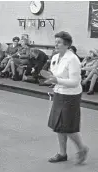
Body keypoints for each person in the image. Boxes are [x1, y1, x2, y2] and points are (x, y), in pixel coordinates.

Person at [44, 31, 89, 165]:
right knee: (58, 125)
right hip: (59, 93)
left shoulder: (73, 59)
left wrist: (57, 80)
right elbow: (55, 75)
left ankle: (82, 148)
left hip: (71, 96)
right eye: (55, 41)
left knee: (68, 126)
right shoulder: (55, 57)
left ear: (67, 44)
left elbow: (75, 82)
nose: (56, 44)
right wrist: (52, 80)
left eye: (59, 42)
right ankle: (62, 153)